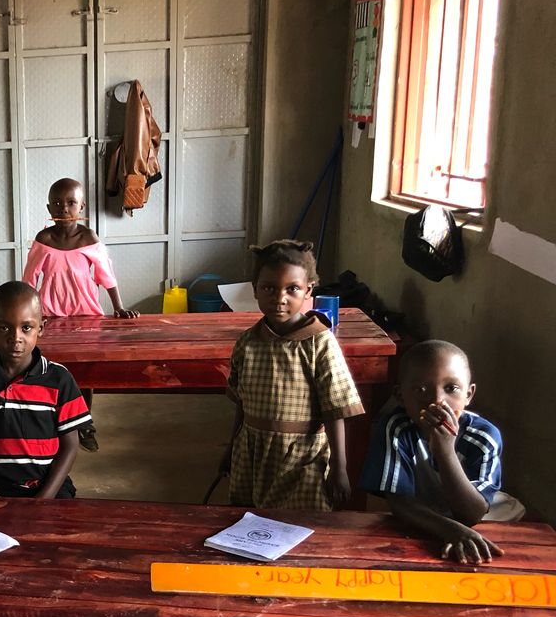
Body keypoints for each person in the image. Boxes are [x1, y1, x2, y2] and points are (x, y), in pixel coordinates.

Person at [222, 240, 364, 510]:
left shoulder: (320, 343)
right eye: (269, 288)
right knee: (249, 521)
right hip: (251, 453)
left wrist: (339, 468)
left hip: (301, 456)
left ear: (309, 290)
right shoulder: (247, 342)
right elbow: (241, 403)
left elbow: (335, 410)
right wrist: (230, 450)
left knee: (301, 522)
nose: (280, 298)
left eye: (292, 289)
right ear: (255, 289)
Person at [360, 339, 521, 564]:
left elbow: (472, 513)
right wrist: (449, 531)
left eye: (451, 388)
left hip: (483, 515)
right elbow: (400, 503)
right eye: (420, 389)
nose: (437, 400)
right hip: (425, 515)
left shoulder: (483, 436)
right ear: (400, 396)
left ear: (469, 394)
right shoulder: (396, 428)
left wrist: (445, 451)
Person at [22, 177, 138, 452]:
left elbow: (106, 275)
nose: (64, 208)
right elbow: (29, 281)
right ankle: (51, 423)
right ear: (48, 208)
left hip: (87, 316)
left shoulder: (89, 238)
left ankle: (84, 423)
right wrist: (31, 316)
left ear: (81, 206)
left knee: (85, 373)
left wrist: (118, 307)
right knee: (50, 371)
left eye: (71, 203)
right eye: (57, 203)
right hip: (50, 316)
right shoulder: (44, 239)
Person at [0, 281, 89, 499]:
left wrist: (43, 500)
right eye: (4, 328)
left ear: (41, 328)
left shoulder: (59, 379)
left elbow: (70, 446)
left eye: (26, 328)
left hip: (50, 489)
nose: (16, 337)